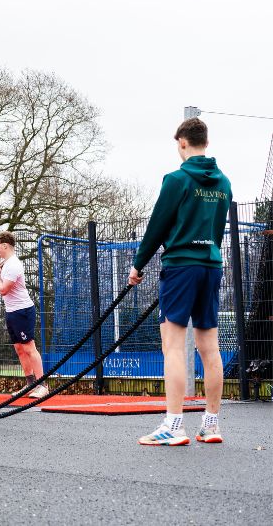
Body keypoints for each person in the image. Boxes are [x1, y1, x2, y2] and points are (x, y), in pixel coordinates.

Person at [129, 117, 232, 446]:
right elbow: (216, 232)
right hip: (211, 265)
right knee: (209, 347)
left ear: (183, 142)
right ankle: (211, 424)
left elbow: (157, 225)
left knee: (173, 346)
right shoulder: (224, 183)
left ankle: (174, 426)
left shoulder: (176, 179)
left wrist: (138, 264)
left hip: (181, 266)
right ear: (206, 142)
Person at [0, 232, 48, 399]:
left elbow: (3, 290)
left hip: (22, 311)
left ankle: (42, 385)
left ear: (5, 246)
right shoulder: (5, 263)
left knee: (29, 347)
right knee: (19, 349)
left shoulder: (13, 264)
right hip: (11, 311)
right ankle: (30, 384)